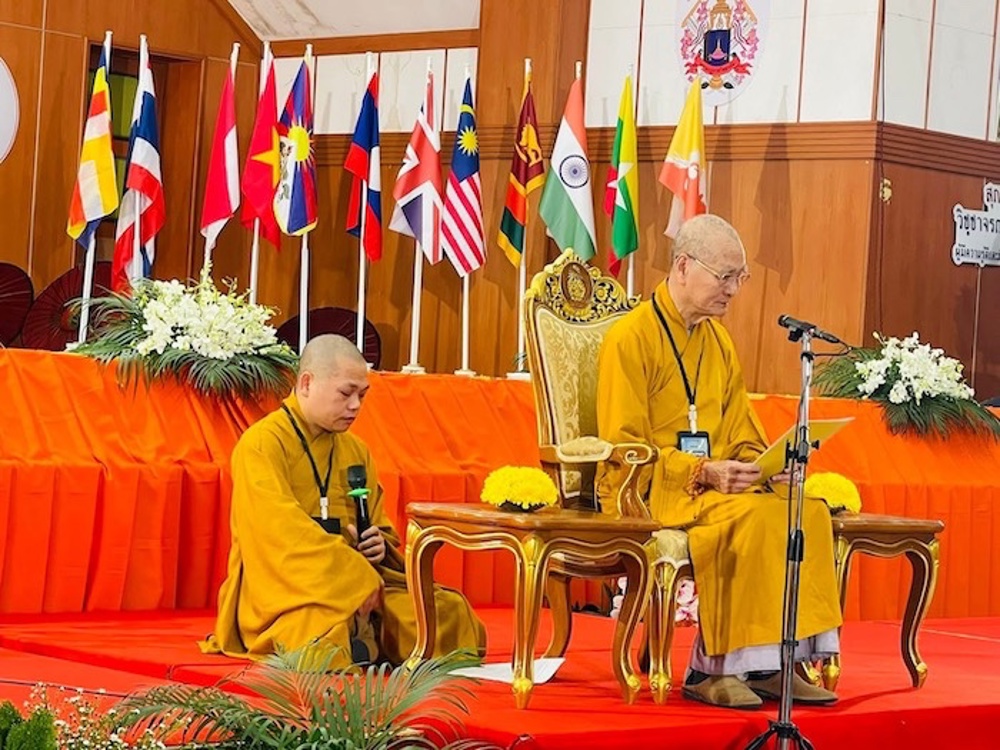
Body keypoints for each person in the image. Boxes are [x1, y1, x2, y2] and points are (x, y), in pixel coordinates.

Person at [595, 214, 842, 710]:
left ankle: (777, 665)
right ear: (683, 266)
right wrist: (702, 470)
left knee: (806, 511)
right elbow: (623, 446)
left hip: (714, 489)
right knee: (750, 518)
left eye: (739, 278)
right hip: (652, 487)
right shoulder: (632, 337)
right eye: (725, 276)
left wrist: (765, 465)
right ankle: (713, 670)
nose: (733, 290)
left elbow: (740, 431)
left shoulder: (717, 341)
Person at [201, 334, 486, 668]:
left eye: (362, 395)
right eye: (345, 393)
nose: (355, 406)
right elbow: (275, 533)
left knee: (449, 613)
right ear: (306, 383)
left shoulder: (355, 450)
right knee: (321, 633)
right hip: (292, 588)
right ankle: (364, 636)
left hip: (367, 581)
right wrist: (353, 577)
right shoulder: (261, 445)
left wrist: (379, 544)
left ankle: (366, 635)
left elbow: (380, 526)